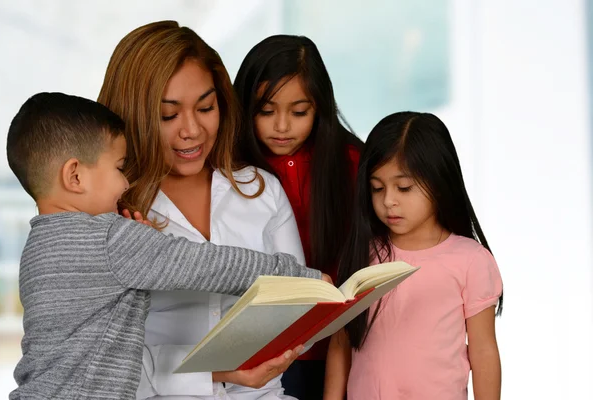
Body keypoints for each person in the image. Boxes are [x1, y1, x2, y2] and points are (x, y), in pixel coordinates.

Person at [7, 92, 324, 400]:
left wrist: (142, 251)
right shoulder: (109, 238)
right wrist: (301, 278)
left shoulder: (37, 250)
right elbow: (209, 266)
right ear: (75, 176)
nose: (126, 183)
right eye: (119, 168)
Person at [98, 21, 318, 399]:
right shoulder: (110, 214)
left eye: (206, 107)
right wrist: (214, 372)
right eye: (168, 115)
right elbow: (97, 367)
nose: (193, 131)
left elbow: (296, 313)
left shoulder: (259, 190)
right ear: (132, 115)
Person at [324, 112, 503, 400]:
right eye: (377, 188)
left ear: (439, 182)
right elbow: (342, 342)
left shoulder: (470, 260)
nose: (388, 201)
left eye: (404, 188)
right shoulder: (364, 253)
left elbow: (483, 352)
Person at [233, 35, 363, 399]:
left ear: (320, 108)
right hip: (263, 352)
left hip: (341, 344)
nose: (282, 126)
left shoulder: (352, 161)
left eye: (299, 112)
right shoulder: (227, 169)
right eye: (266, 110)